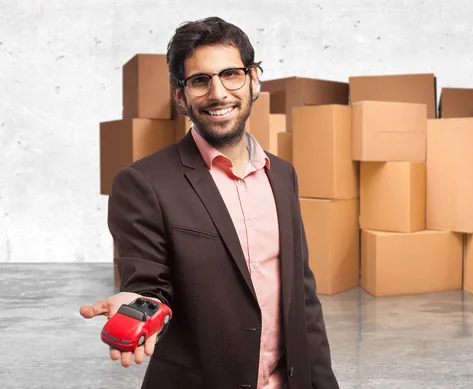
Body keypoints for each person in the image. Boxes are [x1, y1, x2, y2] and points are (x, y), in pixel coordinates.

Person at [79, 16, 340, 389]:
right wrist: (139, 303)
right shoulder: (143, 183)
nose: (218, 93)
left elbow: (303, 297)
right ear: (180, 96)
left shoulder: (282, 175)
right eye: (200, 81)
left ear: (253, 80)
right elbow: (150, 284)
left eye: (230, 74)